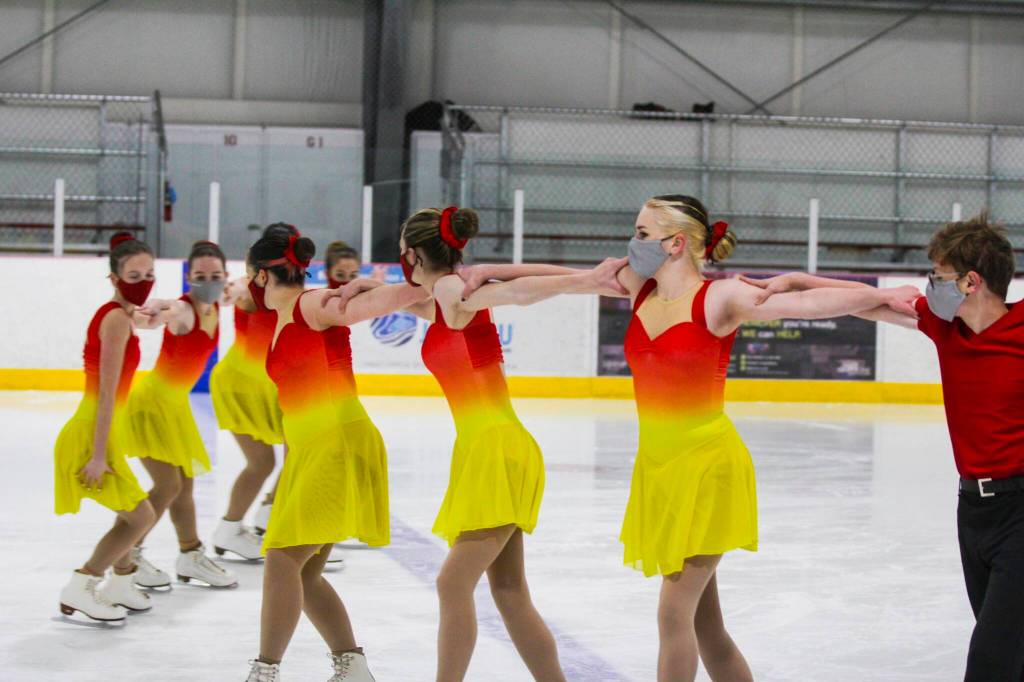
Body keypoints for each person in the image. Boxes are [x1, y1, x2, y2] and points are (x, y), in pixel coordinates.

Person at [457, 195, 918, 682]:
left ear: (675, 244)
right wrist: (492, 269)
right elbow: (572, 277)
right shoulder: (639, 289)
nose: (631, 244)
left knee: (673, 615)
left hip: (707, 470)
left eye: (641, 234)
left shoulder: (718, 298)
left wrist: (880, 297)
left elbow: (803, 304)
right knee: (707, 626)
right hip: (661, 472)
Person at [330, 205, 626, 682]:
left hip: (495, 448)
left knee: (453, 584)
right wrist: (582, 276)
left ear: (410, 252)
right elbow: (407, 298)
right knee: (508, 591)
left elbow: (519, 293)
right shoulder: (443, 295)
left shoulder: (452, 291)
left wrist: (582, 280)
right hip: (492, 445)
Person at [741, 213, 1024, 682]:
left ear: (971, 281)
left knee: (991, 662)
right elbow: (866, 305)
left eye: (939, 276)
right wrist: (794, 281)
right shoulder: (945, 326)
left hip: (1021, 513)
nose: (930, 285)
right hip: (973, 511)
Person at [244, 229, 425, 682]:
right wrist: (290, 467)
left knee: (283, 559)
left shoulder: (310, 305)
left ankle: (265, 672)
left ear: (262, 274)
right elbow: (291, 403)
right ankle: (352, 665)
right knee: (302, 574)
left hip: (336, 444)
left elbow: (371, 307)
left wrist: (423, 283)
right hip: (313, 449)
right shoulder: (289, 312)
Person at [54, 232, 158, 622]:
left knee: (131, 513)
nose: (143, 281)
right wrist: (99, 455)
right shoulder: (115, 319)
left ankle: (122, 580)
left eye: (149, 273)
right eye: (134, 275)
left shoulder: (122, 313)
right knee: (142, 515)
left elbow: (146, 317)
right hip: (91, 434)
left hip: (105, 431)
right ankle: (83, 584)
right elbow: (108, 391)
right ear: (115, 280)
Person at [127, 240, 236, 588]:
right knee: (168, 485)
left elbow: (247, 287)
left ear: (224, 276)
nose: (208, 280)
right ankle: (128, 555)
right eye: (200, 275)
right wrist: (151, 311)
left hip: (174, 406)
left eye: (215, 275)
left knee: (185, 484)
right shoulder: (183, 309)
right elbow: (163, 310)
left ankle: (190, 555)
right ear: (189, 276)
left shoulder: (218, 302)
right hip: (152, 405)